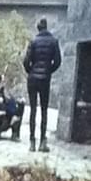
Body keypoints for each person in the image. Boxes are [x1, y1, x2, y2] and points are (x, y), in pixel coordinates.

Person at [22, 18, 61, 153]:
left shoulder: (33, 42)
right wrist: (48, 70)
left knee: (33, 110)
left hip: (32, 79)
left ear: (38, 28)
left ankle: (32, 142)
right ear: (46, 27)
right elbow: (57, 61)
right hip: (45, 79)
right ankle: (42, 142)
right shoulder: (54, 42)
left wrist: (31, 71)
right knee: (44, 110)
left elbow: (26, 61)